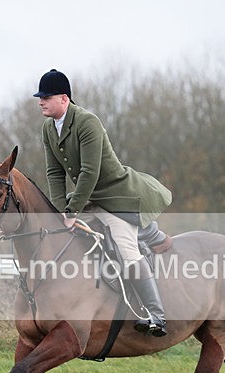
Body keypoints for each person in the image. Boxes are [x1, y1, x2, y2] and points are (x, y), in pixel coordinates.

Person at [34, 69, 172, 337]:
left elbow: (89, 173)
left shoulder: (88, 123)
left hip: (116, 198)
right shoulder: (48, 128)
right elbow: (54, 173)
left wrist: (72, 211)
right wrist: (62, 210)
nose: (41, 101)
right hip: (88, 199)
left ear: (64, 98)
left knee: (126, 249)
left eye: (46, 97)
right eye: (40, 97)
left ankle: (157, 315)